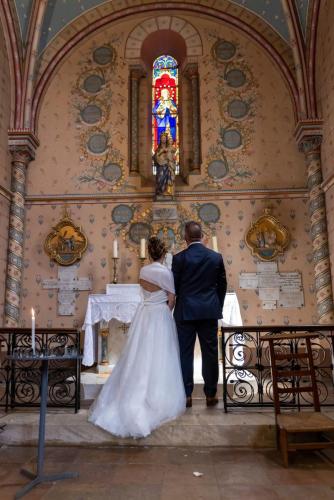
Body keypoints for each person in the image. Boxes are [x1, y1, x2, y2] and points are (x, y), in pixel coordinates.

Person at [89, 237, 186, 438]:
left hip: (144, 315)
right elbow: (172, 298)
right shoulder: (166, 272)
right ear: (163, 254)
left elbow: (144, 292)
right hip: (159, 315)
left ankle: (133, 391)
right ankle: (157, 396)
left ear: (149, 253)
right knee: (161, 355)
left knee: (140, 354)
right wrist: (166, 312)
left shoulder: (143, 271)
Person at [172, 221, 227, 408]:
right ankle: (210, 394)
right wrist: (216, 305)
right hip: (208, 311)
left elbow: (175, 287)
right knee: (210, 354)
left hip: (185, 311)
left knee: (185, 354)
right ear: (202, 236)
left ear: (185, 238)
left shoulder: (178, 258)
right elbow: (222, 286)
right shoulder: (215, 257)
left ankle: (186, 395)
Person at [154, 132, 176, 198]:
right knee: (160, 178)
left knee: (167, 178)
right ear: (160, 139)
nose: (163, 139)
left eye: (164, 138)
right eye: (162, 138)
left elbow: (172, 155)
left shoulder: (169, 148)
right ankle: (160, 192)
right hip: (160, 166)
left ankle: (167, 192)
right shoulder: (158, 149)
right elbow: (155, 157)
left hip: (167, 165)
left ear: (166, 139)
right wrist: (161, 152)